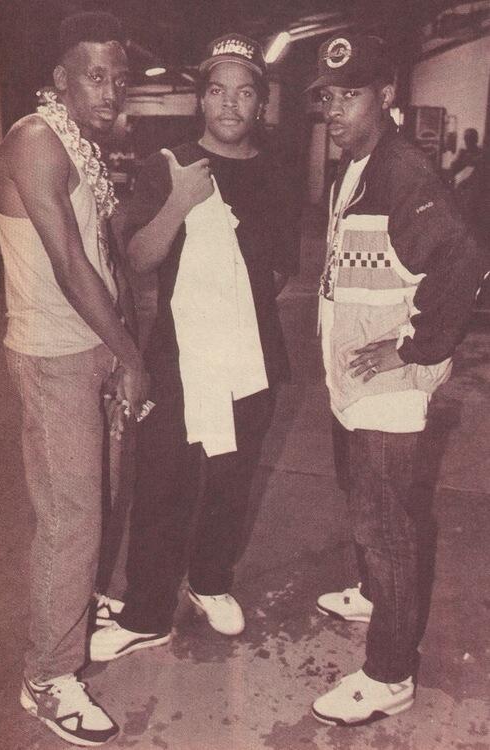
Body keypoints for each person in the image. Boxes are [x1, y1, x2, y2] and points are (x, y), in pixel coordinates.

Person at [90, 33, 300, 661]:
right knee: (163, 484)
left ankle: (210, 581)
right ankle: (147, 611)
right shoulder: (170, 165)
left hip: (252, 356)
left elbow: (280, 269)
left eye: (245, 92)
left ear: (260, 102)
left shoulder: (277, 171)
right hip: (177, 358)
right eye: (218, 90)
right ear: (202, 100)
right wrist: (180, 204)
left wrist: (233, 312)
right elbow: (138, 258)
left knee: (231, 481)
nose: (231, 104)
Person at [306, 34, 486, 726]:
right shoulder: (355, 166)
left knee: (388, 528)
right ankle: (374, 593)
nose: (335, 109)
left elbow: (462, 264)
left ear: (385, 96)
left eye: (350, 95)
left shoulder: (402, 173)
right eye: (328, 96)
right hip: (353, 379)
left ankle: (388, 676)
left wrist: (413, 348)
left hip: (389, 391)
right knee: (365, 504)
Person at [0, 12, 150, 746]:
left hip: (92, 347)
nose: (110, 90)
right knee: (70, 516)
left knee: (100, 500)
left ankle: (75, 609)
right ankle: (48, 677)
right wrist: (133, 357)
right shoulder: (33, 139)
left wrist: (119, 348)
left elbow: (107, 254)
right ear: (61, 78)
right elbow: (67, 262)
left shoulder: (80, 143)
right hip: (54, 355)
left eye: (119, 78)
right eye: (95, 75)